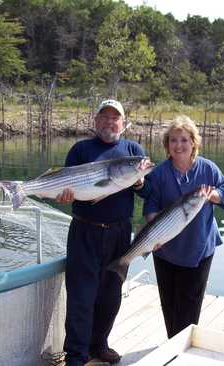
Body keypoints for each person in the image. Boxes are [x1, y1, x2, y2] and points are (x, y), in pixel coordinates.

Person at [56, 99, 151, 366]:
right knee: (81, 295)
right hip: (84, 231)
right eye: (104, 117)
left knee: (111, 294)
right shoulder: (80, 149)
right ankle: (76, 354)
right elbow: (67, 188)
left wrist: (140, 180)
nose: (110, 122)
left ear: (123, 123)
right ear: (95, 122)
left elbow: (148, 191)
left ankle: (99, 345)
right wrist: (63, 195)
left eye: (115, 118)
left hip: (120, 233)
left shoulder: (134, 150)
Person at [143, 116, 224, 339]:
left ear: (193, 142)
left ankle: (182, 350)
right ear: (167, 145)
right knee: (169, 303)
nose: (179, 145)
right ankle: (172, 345)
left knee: (190, 305)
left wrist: (211, 194)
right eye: (173, 140)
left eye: (184, 140)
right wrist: (153, 230)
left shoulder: (208, 168)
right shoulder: (159, 173)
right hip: (165, 248)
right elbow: (151, 204)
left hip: (200, 247)